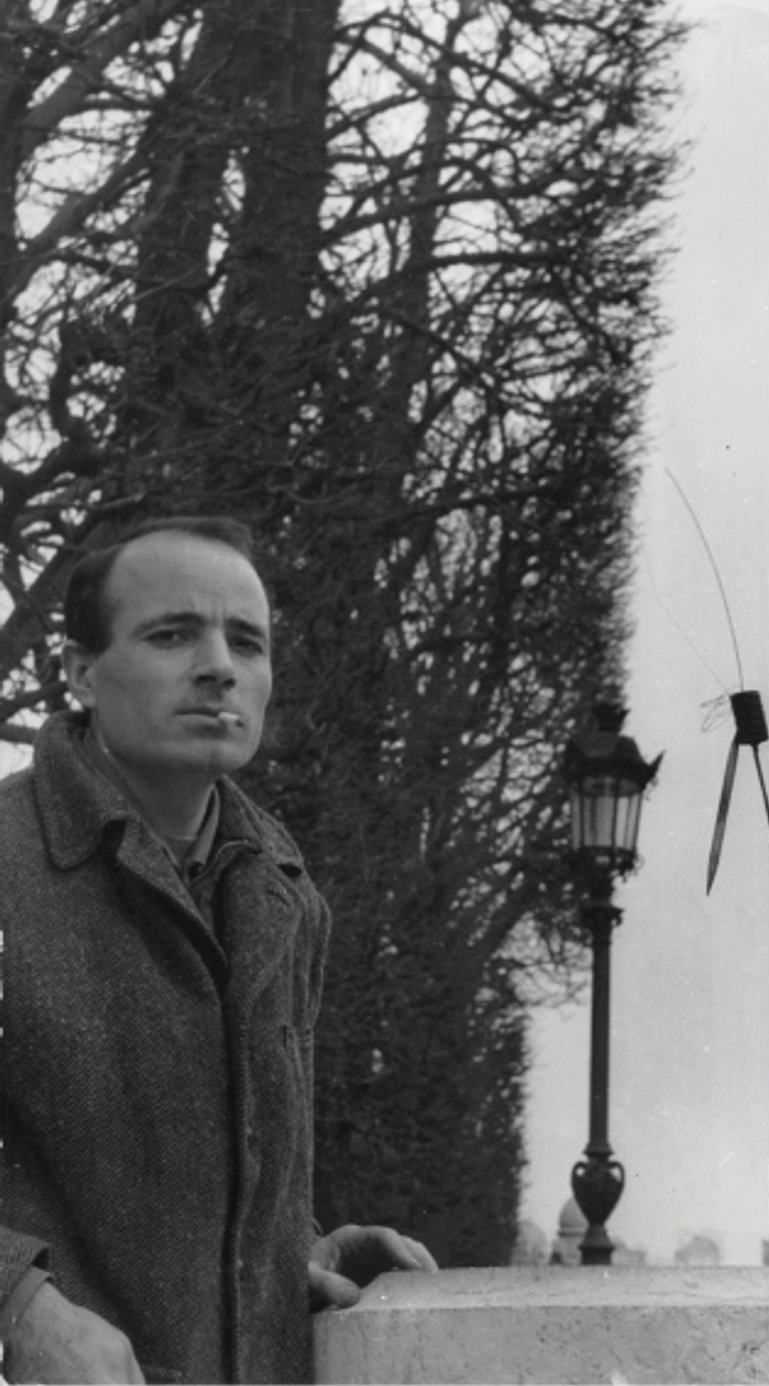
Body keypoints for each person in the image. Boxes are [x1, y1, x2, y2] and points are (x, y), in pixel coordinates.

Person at [0, 518, 435, 1386]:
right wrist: (17, 1308)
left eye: (247, 641)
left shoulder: (286, 894)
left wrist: (288, 1255)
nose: (219, 666)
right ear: (80, 671)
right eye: (171, 635)